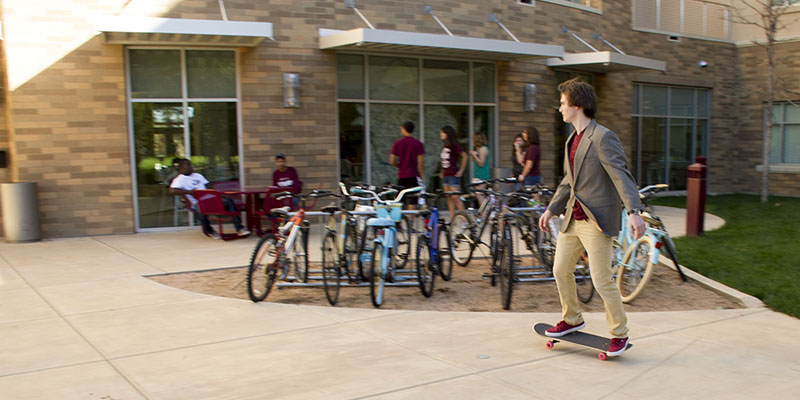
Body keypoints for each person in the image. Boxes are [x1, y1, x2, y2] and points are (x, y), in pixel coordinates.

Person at [537, 78, 645, 357]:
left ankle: (619, 333)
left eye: (563, 103)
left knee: (601, 279)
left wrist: (634, 211)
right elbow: (568, 181)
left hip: (595, 220)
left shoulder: (602, 137)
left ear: (578, 105)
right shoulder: (572, 139)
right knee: (560, 270)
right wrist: (551, 209)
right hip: (572, 218)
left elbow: (621, 175)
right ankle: (572, 318)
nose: (559, 108)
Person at [169, 159, 250, 239]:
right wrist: (191, 192)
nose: (190, 167)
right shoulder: (179, 179)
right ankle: (210, 231)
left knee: (228, 201)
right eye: (187, 166)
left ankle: (239, 228)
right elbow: (172, 190)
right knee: (200, 210)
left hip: (210, 199)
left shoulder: (198, 175)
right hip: (198, 202)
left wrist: (212, 191)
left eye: (190, 165)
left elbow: (208, 185)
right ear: (181, 168)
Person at [389, 120, 425, 209]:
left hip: (402, 175)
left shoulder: (398, 143)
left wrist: (399, 166)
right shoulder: (418, 143)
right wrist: (420, 175)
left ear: (404, 129)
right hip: (413, 175)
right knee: (413, 199)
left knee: (399, 198)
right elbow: (420, 163)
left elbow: (392, 160)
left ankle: (399, 220)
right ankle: (411, 220)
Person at [439, 125, 467, 219]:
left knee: (455, 197)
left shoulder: (455, 145)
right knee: (448, 197)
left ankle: (463, 218)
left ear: (447, 134)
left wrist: (461, 170)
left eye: (443, 132)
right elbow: (445, 160)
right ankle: (452, 218)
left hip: (453, 174)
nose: (441, 134)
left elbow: (464, 156)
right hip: (446, 175)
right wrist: (442, 170)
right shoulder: (445, 146)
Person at [470, 132, 491, 205]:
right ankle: (484, 213)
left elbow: (481, 163)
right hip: (477, 174)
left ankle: (484, 214)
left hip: (482, 175)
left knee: (480, 196)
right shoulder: (478, 149)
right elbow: (474, 161)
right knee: (479, 195)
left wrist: (474, 155)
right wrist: (473, 155)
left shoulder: (483, 149)